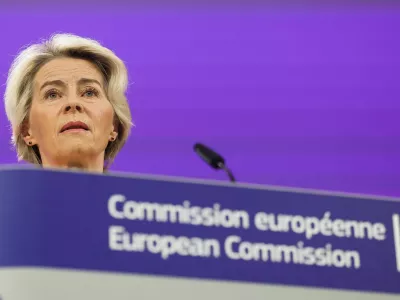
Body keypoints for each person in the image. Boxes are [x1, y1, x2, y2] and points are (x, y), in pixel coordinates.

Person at [3, 33, 133, 173]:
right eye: (52, 95)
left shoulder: (148, 195)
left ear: (114, 125)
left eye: (89, 92)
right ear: (26, 130)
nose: (73, 103)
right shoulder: (8, 195)